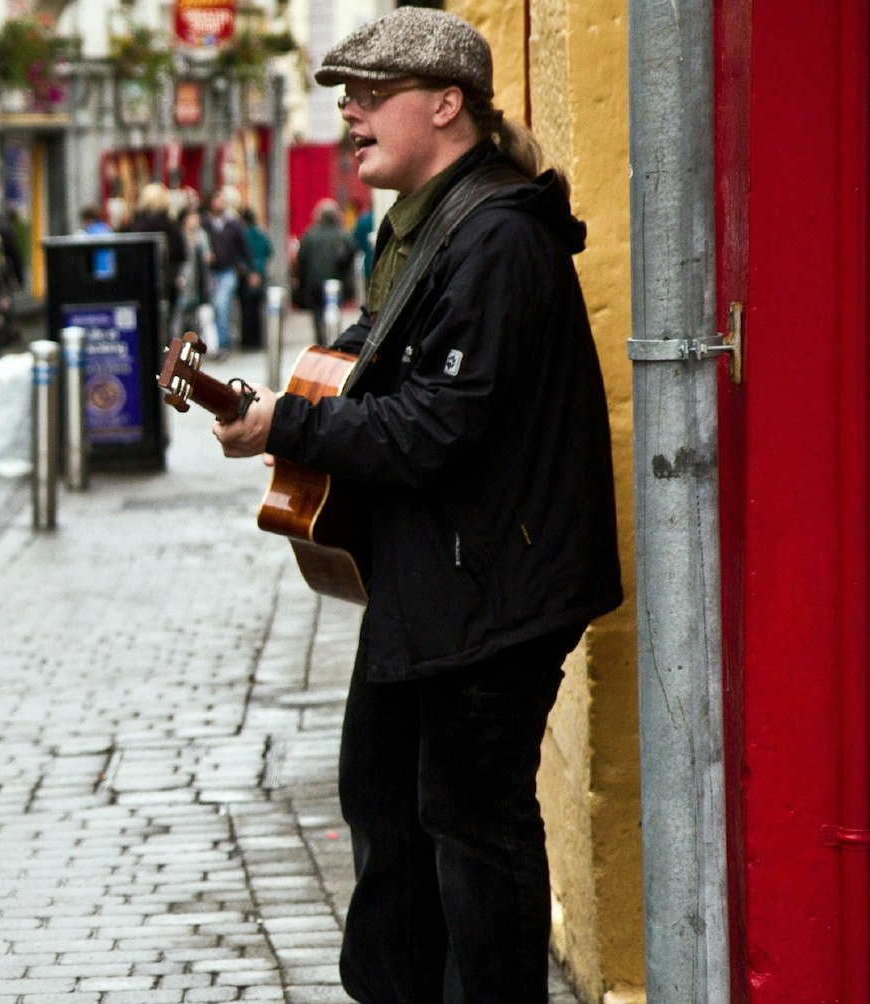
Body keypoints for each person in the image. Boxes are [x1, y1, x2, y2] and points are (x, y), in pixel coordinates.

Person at [210, 9, 622, 1002]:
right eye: (343, 98)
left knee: (472, 821)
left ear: (446, 105)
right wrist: (298, 395)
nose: (347, 116)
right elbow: (382, 356)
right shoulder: (427, 223)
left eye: (366, 96)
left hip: (492, 586)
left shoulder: (495, 240)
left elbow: (436, 426)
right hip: (436, 575)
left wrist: (287, 427)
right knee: (383, 796)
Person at [294, 199, 358, 346]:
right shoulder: (342, 234)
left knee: (317, 313)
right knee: (334, 310)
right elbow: (353, 249)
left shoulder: (310, 234)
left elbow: (301, 257)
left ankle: (321, 339)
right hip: (336, 281)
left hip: (314, 281)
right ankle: (333, 338)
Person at [202, 189, 253, 351]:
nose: (220, 203)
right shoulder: (204, 224)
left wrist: (251, 269)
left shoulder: (233, 224)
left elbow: (245, 247)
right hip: (210, 272)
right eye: (217, 199)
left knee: (222, 304)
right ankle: (215, 339)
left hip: (228, 270)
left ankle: (223, 342)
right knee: (213, 307)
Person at [124, 182, 186, 285]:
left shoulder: (136, 224)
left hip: (140, 280)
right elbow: (180, 253)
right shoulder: (170, 225)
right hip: (166, 279)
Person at [173, 206, 215, 344]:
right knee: (180, 312)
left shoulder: (201, 235)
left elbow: (207, 255)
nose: (196, 221)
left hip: (199, 279)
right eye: (192, 218)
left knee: (196, 314)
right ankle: (177, 344)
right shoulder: (179, 235)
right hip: (184, 277)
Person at [239, 206, 272, 350]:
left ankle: (247, 340)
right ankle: (257, 340)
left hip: (246, 274)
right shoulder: (261, 234)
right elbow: (268, 250)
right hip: (260, 272)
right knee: (257, 309)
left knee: (246, 309)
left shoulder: (242, 234)